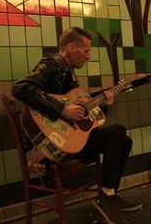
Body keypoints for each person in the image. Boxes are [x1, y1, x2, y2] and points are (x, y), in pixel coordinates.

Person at [12, 27, 141, 224]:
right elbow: (20, 88)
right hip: (53, 148)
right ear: (72, 47)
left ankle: (109, 195)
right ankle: (107, 196)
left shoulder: (68, 72)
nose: (88, 56)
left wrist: (103, 106)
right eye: (86, 51)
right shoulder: (52, 66)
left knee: (123, 139)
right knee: (118, 133)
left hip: (69, 141)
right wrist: (61, 110)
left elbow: (82, 119)